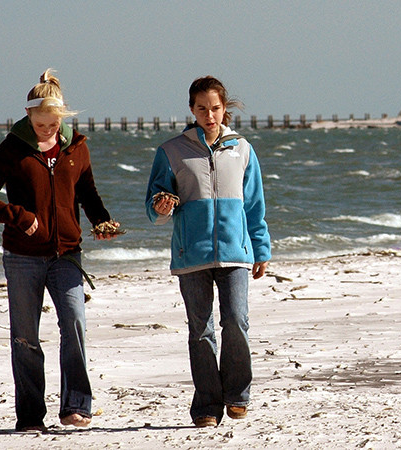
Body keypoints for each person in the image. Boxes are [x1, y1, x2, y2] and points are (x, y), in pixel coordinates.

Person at [0, 68, 119, 432]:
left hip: (67, 253)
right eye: (41, 123)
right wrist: (18, 216)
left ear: (61, 118)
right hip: (22, 256)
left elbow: (87, 194)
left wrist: (102, 222)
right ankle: (30, 416)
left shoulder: (77, 148)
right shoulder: (13, 148)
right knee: (25, 337)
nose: (48, 129)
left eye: (53, 123)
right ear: (28, 117)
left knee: (74, 323)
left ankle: (76, 407)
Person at [145, 76, 271, 428]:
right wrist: (163, 205)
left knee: (236, 323)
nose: (209, 115)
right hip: (191, 255)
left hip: (236, 253)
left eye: (215, 108)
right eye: (202, 108)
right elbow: (153, 207)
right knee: (200, 331)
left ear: (224, 108)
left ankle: (238, 395)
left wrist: (260, 249)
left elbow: (255, 206)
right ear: (191, 110)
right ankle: (206, 406)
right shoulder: (171, 151)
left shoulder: (242, 149)